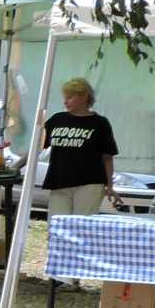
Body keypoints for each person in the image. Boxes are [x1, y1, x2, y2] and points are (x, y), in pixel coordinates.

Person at [39, 77, 123, 217]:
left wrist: (109, 186)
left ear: (84, 96)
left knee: (80, 225)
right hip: (58, 181)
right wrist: (17, 165)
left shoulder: (100, 123)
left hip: (89, 184)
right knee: (57, 225)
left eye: (70, 97)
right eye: (65, 97)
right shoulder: (57, 119)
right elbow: (37, 146)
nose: (65, 102)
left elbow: (107, 157)